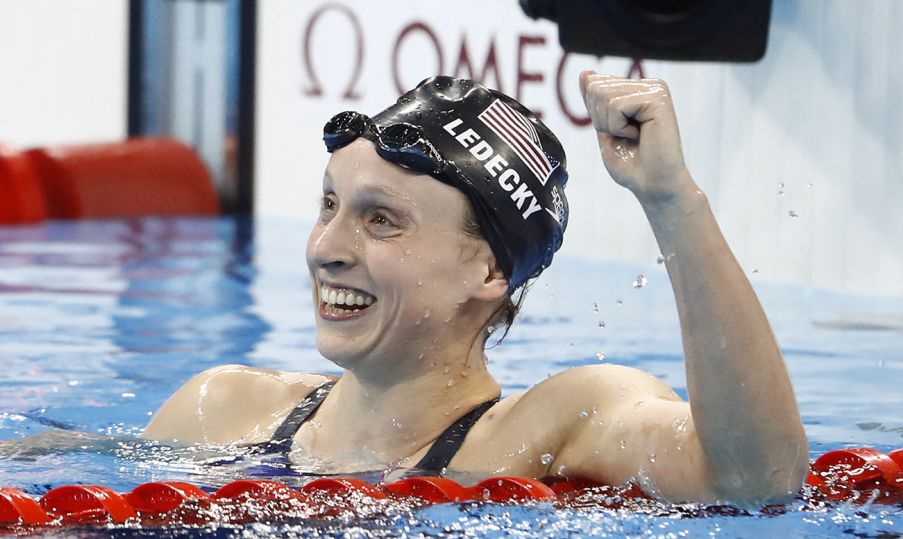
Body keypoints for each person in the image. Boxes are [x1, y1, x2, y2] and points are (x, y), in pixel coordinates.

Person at [142, 71, 808, 503]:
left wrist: (672, 202)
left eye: (380, 220)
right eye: (328, 205)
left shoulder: (553, 427)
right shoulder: (221, 409)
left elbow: (756, 481)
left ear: (489, 272)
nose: (325, 249)